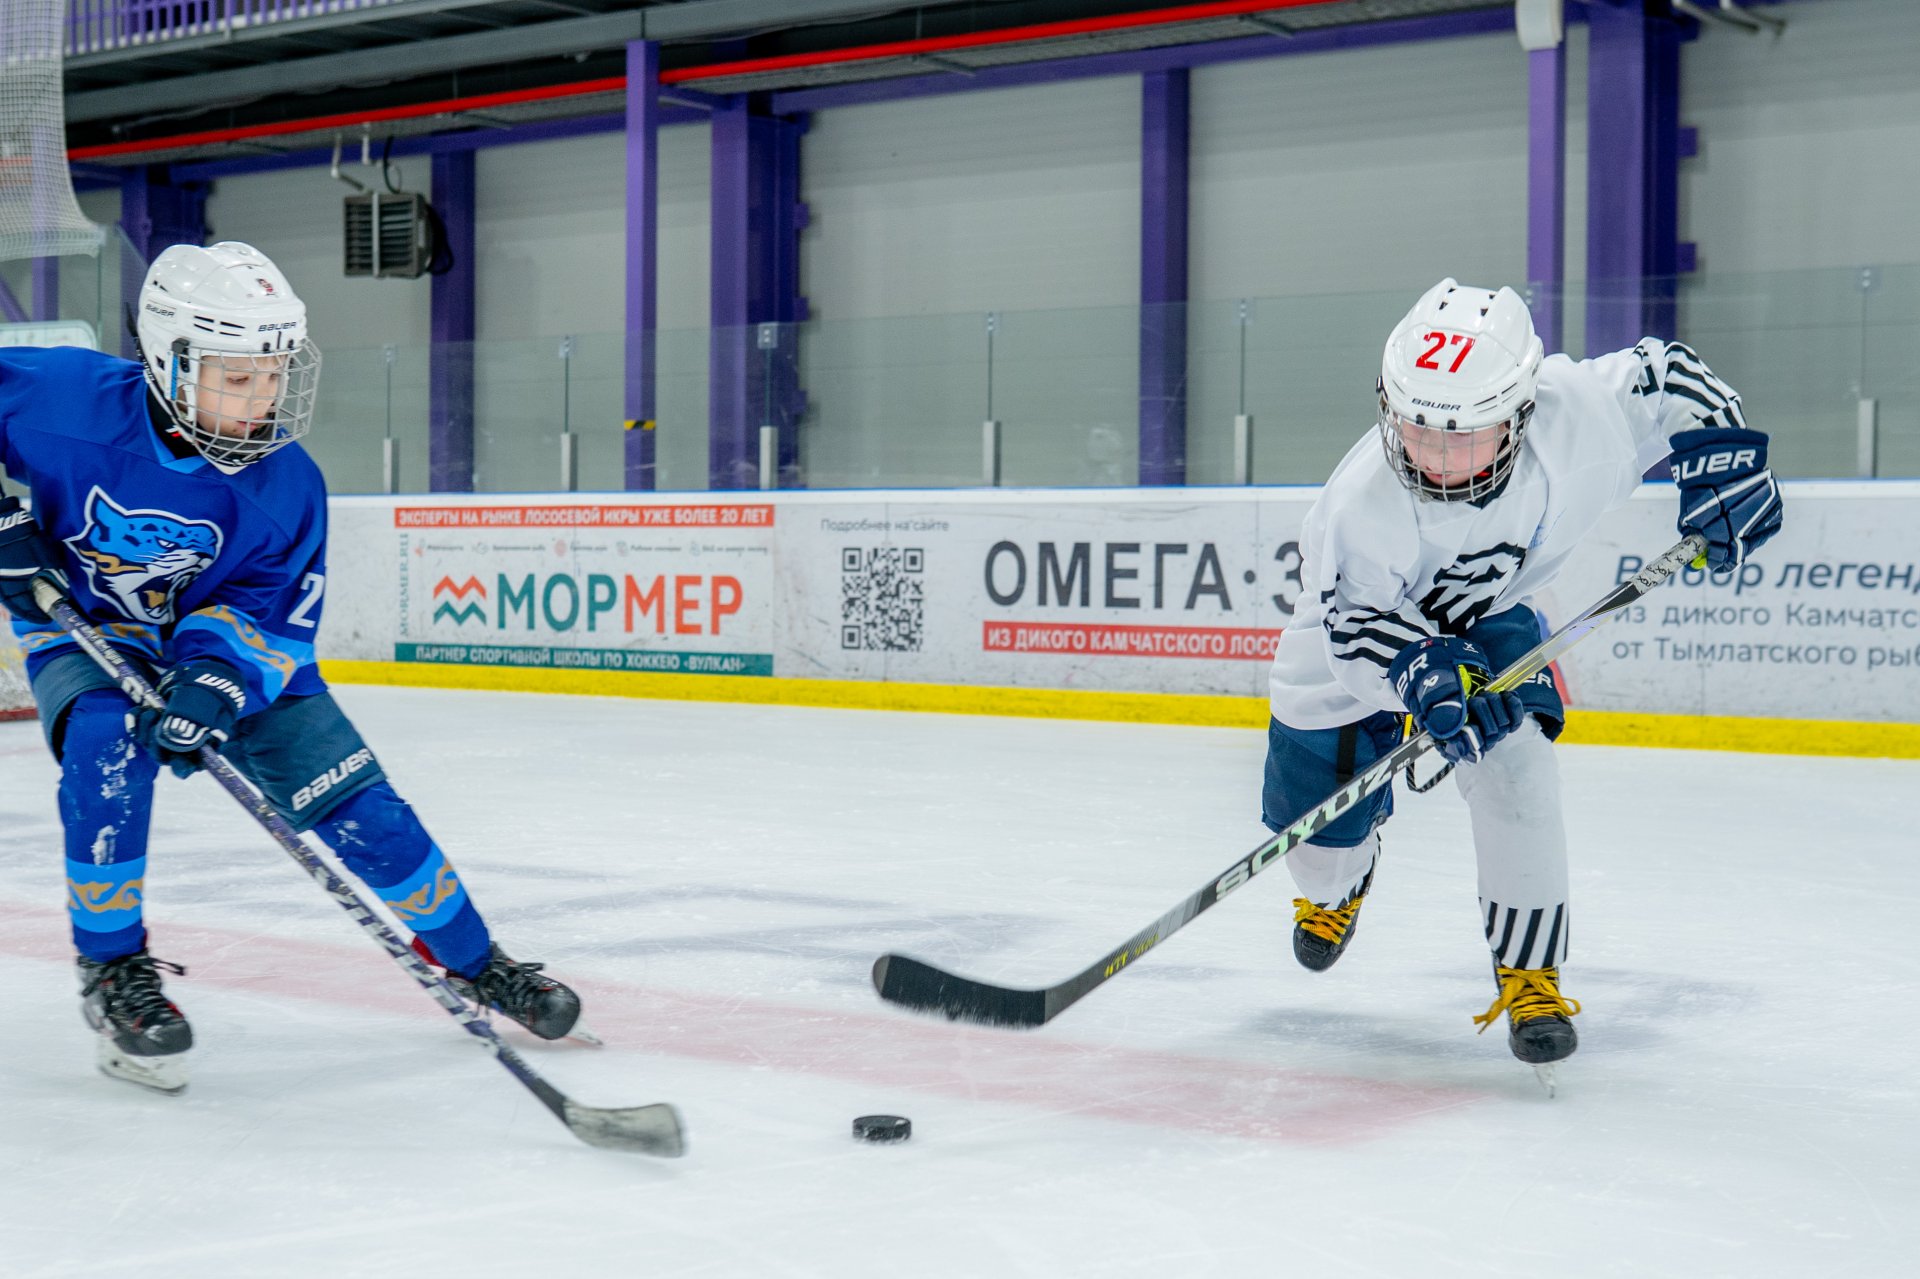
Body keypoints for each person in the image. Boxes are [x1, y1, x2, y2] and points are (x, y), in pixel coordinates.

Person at [0, 241, 582, 1094]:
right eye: (237, 378)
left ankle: (474, 959)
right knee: (106, 737)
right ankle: (113, 968)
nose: (262, 399)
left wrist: (213, 677)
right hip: (89, 622)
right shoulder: (60, 396)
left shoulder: (288, 485)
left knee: (360, 807)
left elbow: (268, 612)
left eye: (272, 376)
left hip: (228, 653)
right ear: (169, 360)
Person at [1263, 278, 1782, 1077]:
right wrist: (1421, 672)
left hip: (1490, 615)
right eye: (1416, 431)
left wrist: (1726, 456)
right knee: (1316, 836)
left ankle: (1530, 976)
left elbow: (1670, 376)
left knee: (1520, 769)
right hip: (1351, 649)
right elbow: (1353, 630)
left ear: (1519, 412)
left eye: (1462, 438)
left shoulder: (1578, 416)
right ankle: (1337, 884)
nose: (1434, 458)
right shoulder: (1360, 505)